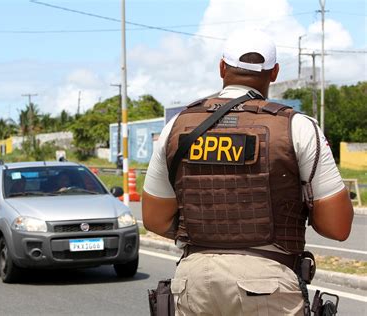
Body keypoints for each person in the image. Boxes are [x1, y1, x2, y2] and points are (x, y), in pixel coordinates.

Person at [142, 29, 353, 316]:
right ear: (275, 72)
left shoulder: (177, 127)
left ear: (222, 68)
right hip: (270, 281)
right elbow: (337, 227)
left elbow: (154, 219)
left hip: (194, 282)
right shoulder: (298, 127)